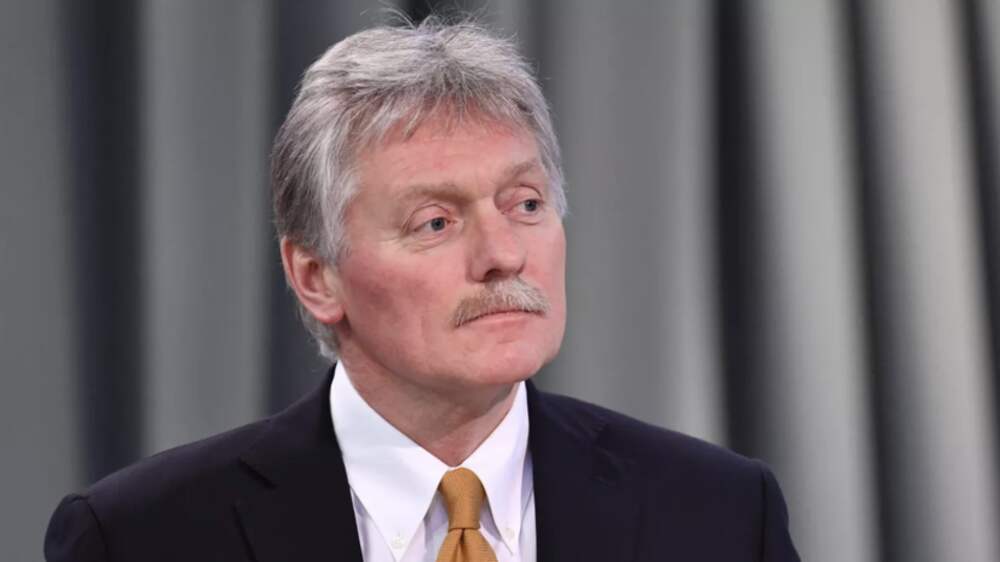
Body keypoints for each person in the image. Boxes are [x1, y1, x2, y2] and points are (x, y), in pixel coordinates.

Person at [44, 18, 800, 562]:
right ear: (316, 278)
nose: (504, 255)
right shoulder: (141, 537)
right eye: (436, 222)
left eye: (525, 204)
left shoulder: (721, 514)